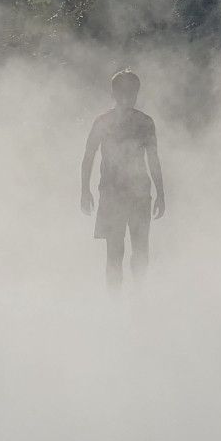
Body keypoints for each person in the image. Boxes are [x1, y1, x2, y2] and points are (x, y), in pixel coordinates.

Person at [81, 69, 166, 289]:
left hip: (139, 194)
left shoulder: (145, 122)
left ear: (137, 94)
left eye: (132, 92)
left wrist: (161, 194)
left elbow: (153, 159)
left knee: (141, 250)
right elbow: (88, 155)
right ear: (114, 94)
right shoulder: (103, 122)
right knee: (114, 252)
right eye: (122, 92)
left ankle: (138, 297)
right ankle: (115, 303)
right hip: (111, 193)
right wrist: (84, 190)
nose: (127, 97)